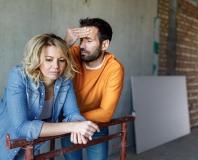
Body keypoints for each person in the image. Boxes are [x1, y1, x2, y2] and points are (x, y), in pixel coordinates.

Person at [0, 33, 99, 160]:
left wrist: (79, 124)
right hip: (5, 141)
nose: (56, 66)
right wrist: (73, 126)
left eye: (61, 60)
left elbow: (72, 113)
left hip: (32, 145)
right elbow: (21, 127)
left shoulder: (65, 80)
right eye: (49, 59)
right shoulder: (18, 76)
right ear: (37, 59)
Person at [61, 18, 124, 160]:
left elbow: (105, 113)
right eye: (81, 40)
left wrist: (73, 122)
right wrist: (67, 42)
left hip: (93, 124)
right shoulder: (73, 52)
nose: (82, 45)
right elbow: (48, 60)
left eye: (88, 41)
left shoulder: (114, 68)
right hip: (70, 125)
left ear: (104, 44)